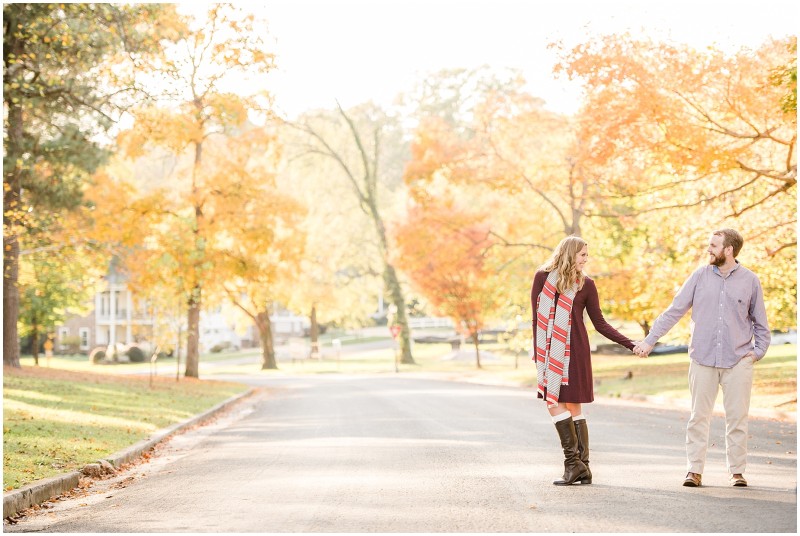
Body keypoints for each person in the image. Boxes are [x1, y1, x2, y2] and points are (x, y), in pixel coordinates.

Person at [633, 229, 770, 488]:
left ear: (728, 250)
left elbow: (761, 323)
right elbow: (674, 311)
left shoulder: (750, 280)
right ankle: (694, 471)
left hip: (738, 359)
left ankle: (737, 472)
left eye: (714, 245)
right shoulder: (699, 276)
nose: (709, 249)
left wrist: (758, 352)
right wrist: (650, 341)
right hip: (702, 358)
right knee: (699, 417)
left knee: (737, 417)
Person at [531, 235, 639, 486]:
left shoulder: (586, 285)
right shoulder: (542, 278)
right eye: (582, 255)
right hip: (550, 352)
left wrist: (630, 343)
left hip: (575, 351)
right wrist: (539, 354)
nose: (586, 259)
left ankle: (576, 465)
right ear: (569, 254)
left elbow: (599, 323)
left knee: (567, 405)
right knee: (557, 403)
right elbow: (536, 318)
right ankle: (582, 468)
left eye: (587, 255)